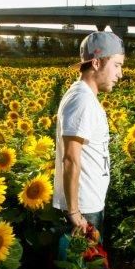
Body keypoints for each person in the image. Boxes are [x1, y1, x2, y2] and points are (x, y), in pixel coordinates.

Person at [52, 31, 125, 239]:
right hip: (83, 209)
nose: (120, 74)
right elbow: (70, 159)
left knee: (88, 266)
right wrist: (74, 212)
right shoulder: (82, 100)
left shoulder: (84, 96)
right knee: (82, 268)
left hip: (89, 203)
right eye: (117, 65)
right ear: (96, 63)